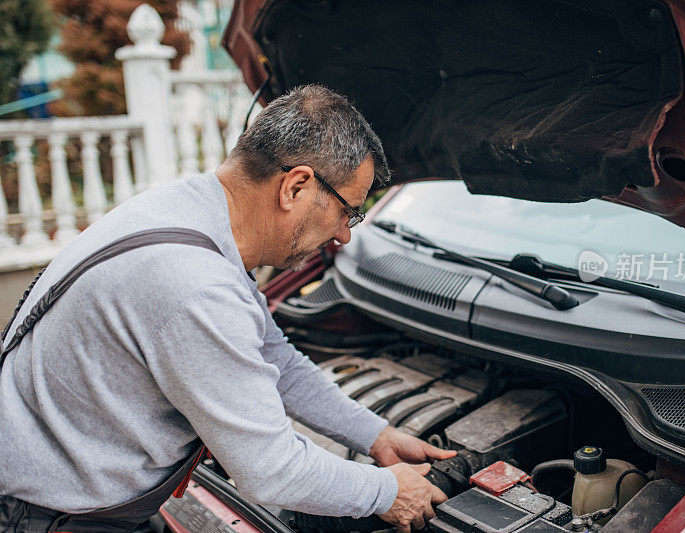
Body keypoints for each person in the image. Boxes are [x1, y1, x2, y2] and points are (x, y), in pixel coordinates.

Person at [0, 85, 452, 532]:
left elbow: (272, 356)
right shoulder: (197, 284)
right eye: (347, 212)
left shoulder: (188, 208)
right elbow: (273, 471)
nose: (344, 235)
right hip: (48, 515)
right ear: (296, 187)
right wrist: (389, 492)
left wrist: (375, 436)